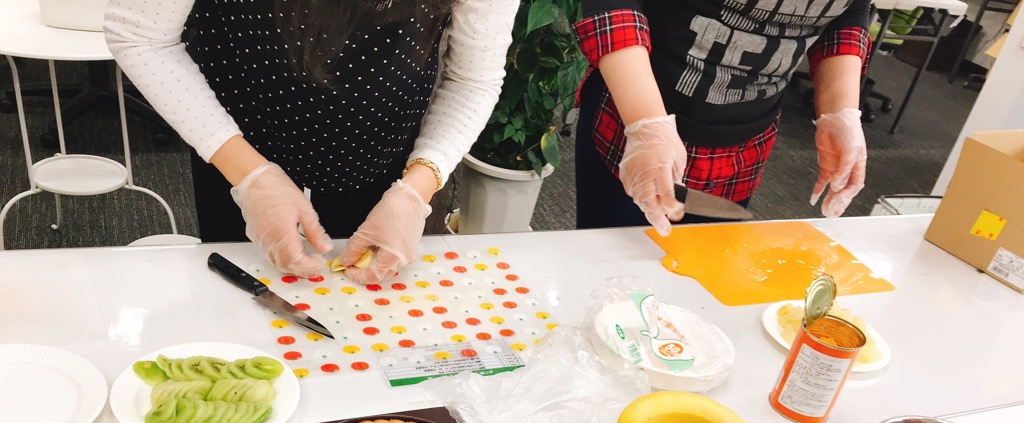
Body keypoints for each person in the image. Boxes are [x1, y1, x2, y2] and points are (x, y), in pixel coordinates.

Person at [104, 0, 517, 283]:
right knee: (244, 289)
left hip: (379, 134)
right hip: (234, 119)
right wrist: (251, 178)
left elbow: (472, 78)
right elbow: (141, 35)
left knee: (363, 297)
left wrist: (416, 190)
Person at [573, 0, 871, 235]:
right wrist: (646, 124)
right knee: (611, 272)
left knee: (700, 278)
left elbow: (848, 12)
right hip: (638, 117)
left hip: (744, 144)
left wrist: (842, 112)